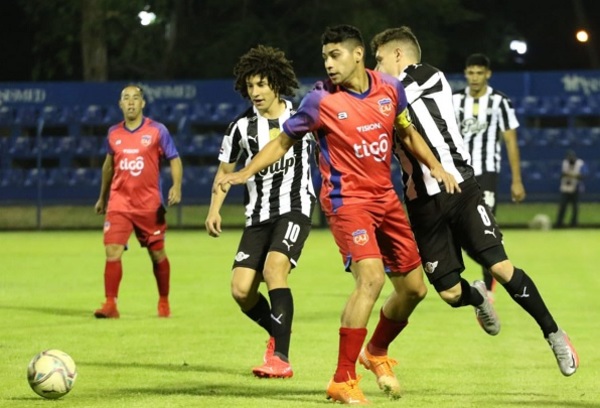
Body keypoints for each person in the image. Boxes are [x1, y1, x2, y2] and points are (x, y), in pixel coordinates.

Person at [215, 25, 460, 403]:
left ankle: (375, 352)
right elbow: (282, 141)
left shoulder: (390, 90)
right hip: (348, 202)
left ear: (358, 54)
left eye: (335, 55)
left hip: (386, 199)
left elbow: (407, 133)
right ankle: (342, 380)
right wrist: (246, 171)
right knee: (371, 280)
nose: (328, 63)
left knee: (415, 289)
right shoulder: (319, 101)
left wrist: (436, 166)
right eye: (325, 56)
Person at [369, 26, 579, 383]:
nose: (375, 67)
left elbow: (385, 99)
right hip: (421, 204)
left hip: (460, 188)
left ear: (399, 55)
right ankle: (478, 299)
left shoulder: (427, 77)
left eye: (378, 59)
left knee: (500, 266)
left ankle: (554, 334)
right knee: (451, 292)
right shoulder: (382, 96)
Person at [205, 45, 316, 379]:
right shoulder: (239, 128)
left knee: (274, 270)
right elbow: (224, 170)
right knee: (240, 290)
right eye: (250, 86)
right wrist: (214, 210)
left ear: (276, 85)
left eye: (261, 85)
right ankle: (278, 331)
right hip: (258, 215)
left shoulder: (301, 118)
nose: (255, 92)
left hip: (295, 207)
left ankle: (280, 358)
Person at [93, 85, 183, 319]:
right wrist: (103, 197)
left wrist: (176, 186)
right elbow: (108, 166)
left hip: (149, 205)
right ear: (120, 104)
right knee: (112, 250)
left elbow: (174, 159)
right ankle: (110, 304)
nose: (131, 102)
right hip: (119, 204)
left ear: (143, 103)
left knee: (157, 254)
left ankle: (163, 301)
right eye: (126, 98)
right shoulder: (113, 133)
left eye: (136, 98)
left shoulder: (157, 131)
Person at [452, 53, 526, 297]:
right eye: (471, 73)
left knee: (487, 226)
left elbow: (510, 141)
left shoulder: (499, 102)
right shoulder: (453, 101)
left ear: (488, 74)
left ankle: (489, 286)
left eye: (479, 73)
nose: (474, 77)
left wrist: (516, 180)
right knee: (457, 229)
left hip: (487, 173)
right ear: (465, 74)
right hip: (459, 173)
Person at [555, 150, 586, 228]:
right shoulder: (564, 163)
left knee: (575, 207)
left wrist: (573, 175)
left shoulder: (580, 164)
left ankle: (574, 223)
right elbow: (560, 174)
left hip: (575, 188)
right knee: (562, 206)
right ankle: (559, 223)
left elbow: (584, 175)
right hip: (565, 188)